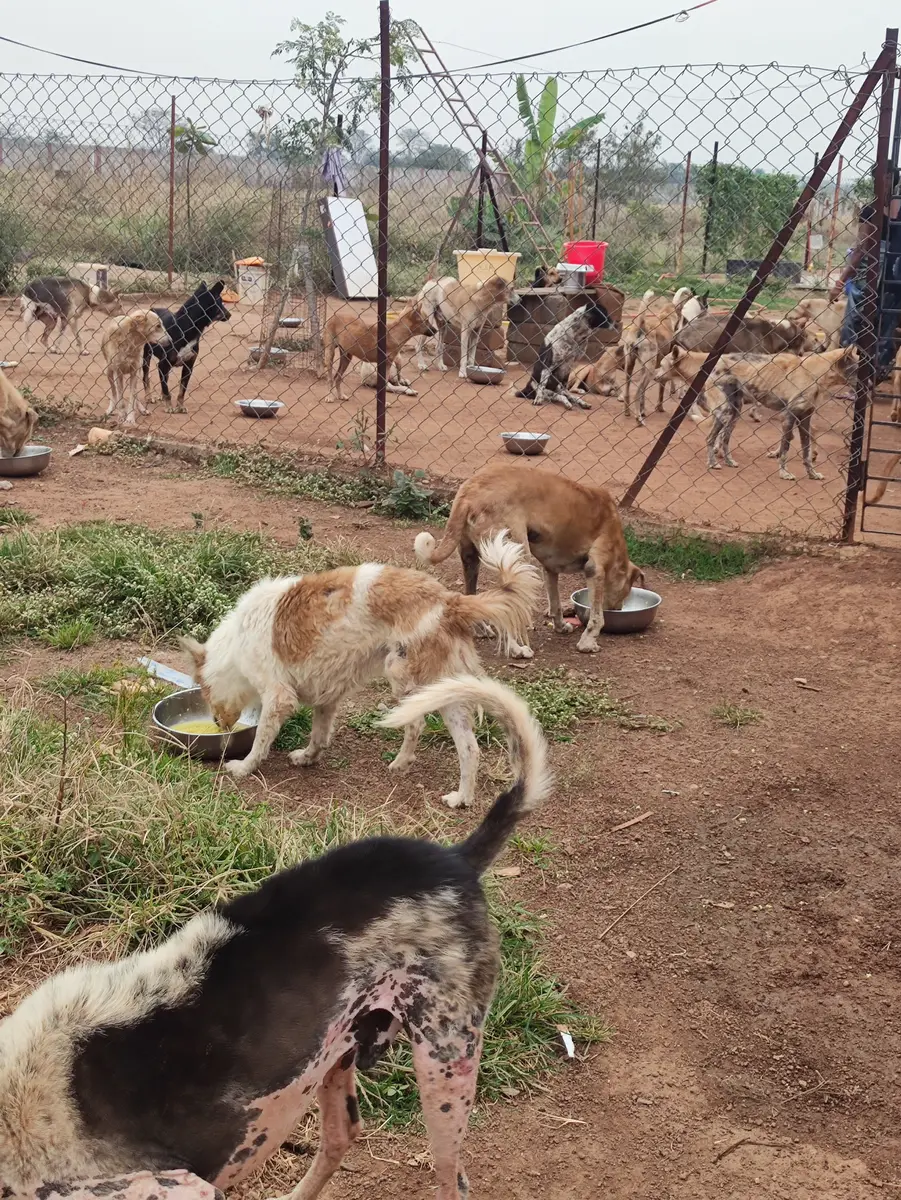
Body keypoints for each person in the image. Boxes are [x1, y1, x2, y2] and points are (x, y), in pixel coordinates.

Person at [831, 163, 901, 382]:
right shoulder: (870, 210)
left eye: (888, 177)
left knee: (885, 326)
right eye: (879, 177)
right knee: (855, 323)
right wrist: (842, 281)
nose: (883, 181)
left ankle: (873, 377)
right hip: (871, 271)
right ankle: (855, 378)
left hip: (894, 274)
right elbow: (861, 248)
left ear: (895, 179)